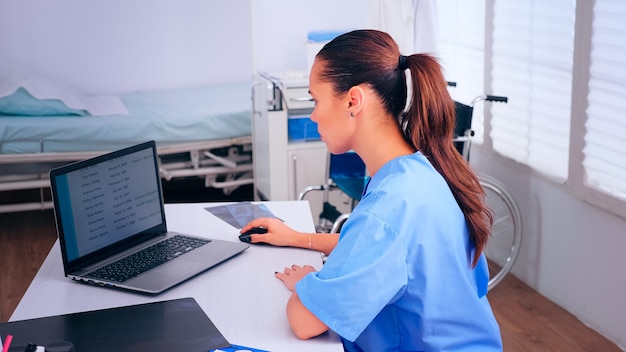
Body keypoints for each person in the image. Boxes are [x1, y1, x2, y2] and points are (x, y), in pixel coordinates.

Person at [241, 29, 502, 351]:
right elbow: (387, 250)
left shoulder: (388, 207)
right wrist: (296, 239)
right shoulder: (420, 172)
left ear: (353, 100)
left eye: (316, 100)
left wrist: (306, 283)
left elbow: (305, 323)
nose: (313, 115)